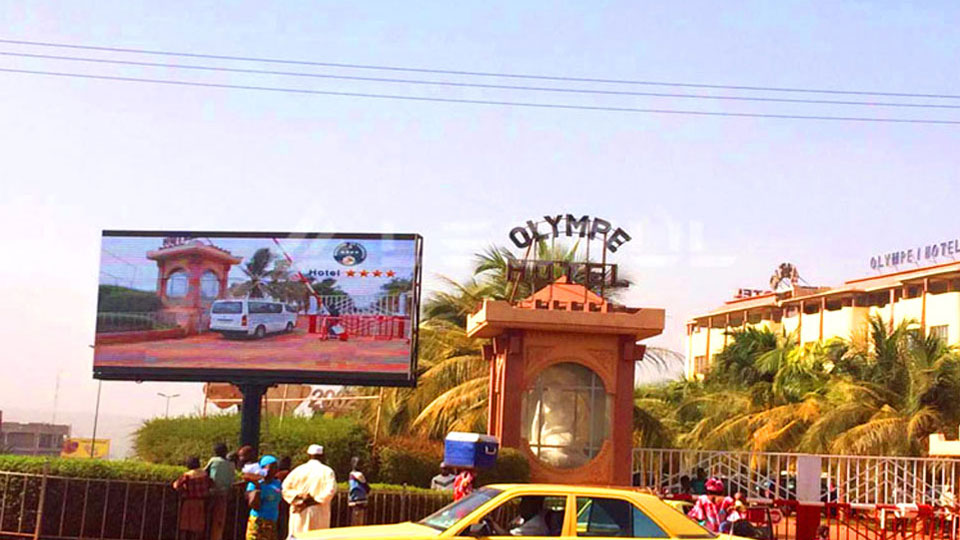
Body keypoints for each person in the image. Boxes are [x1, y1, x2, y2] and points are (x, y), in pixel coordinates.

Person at [281, 444, 337, 534]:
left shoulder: (297, 470)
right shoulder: (327, 471)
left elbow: (285, 489)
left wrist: (300, 499)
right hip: (318, 511)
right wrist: (313, 500)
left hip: (299, 509)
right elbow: (330, 491)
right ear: (322, 456)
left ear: (308, 455)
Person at [172, 456, 213, 540]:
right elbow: (211, 484)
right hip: (201, 502)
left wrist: (183, 490)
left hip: (189, 502)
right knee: (198, 527)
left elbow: (176, 485)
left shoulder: (187, 475)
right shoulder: (205, 474)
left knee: (185, 526)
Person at [246, 455, 283, 540]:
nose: (275, 470)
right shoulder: (255, 484)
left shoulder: (277, 483)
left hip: (273, 521)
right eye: (272, 467)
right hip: (259, 521)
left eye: (276, 467)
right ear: (263, 468)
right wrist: (257, 487)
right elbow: (254, 505)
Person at [205, 442, 236, 540]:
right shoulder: (231, 464)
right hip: (225, 494)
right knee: (219, 521)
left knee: (208, 518)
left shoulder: (214, 460)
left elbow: (205, 471)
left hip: (212, 492)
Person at [348, 456, 370, 526]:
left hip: (352, 499)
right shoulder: (359, 474)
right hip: (360, 500)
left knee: (354, 520)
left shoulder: (351, 474)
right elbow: (366, 486)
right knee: (359, 521)